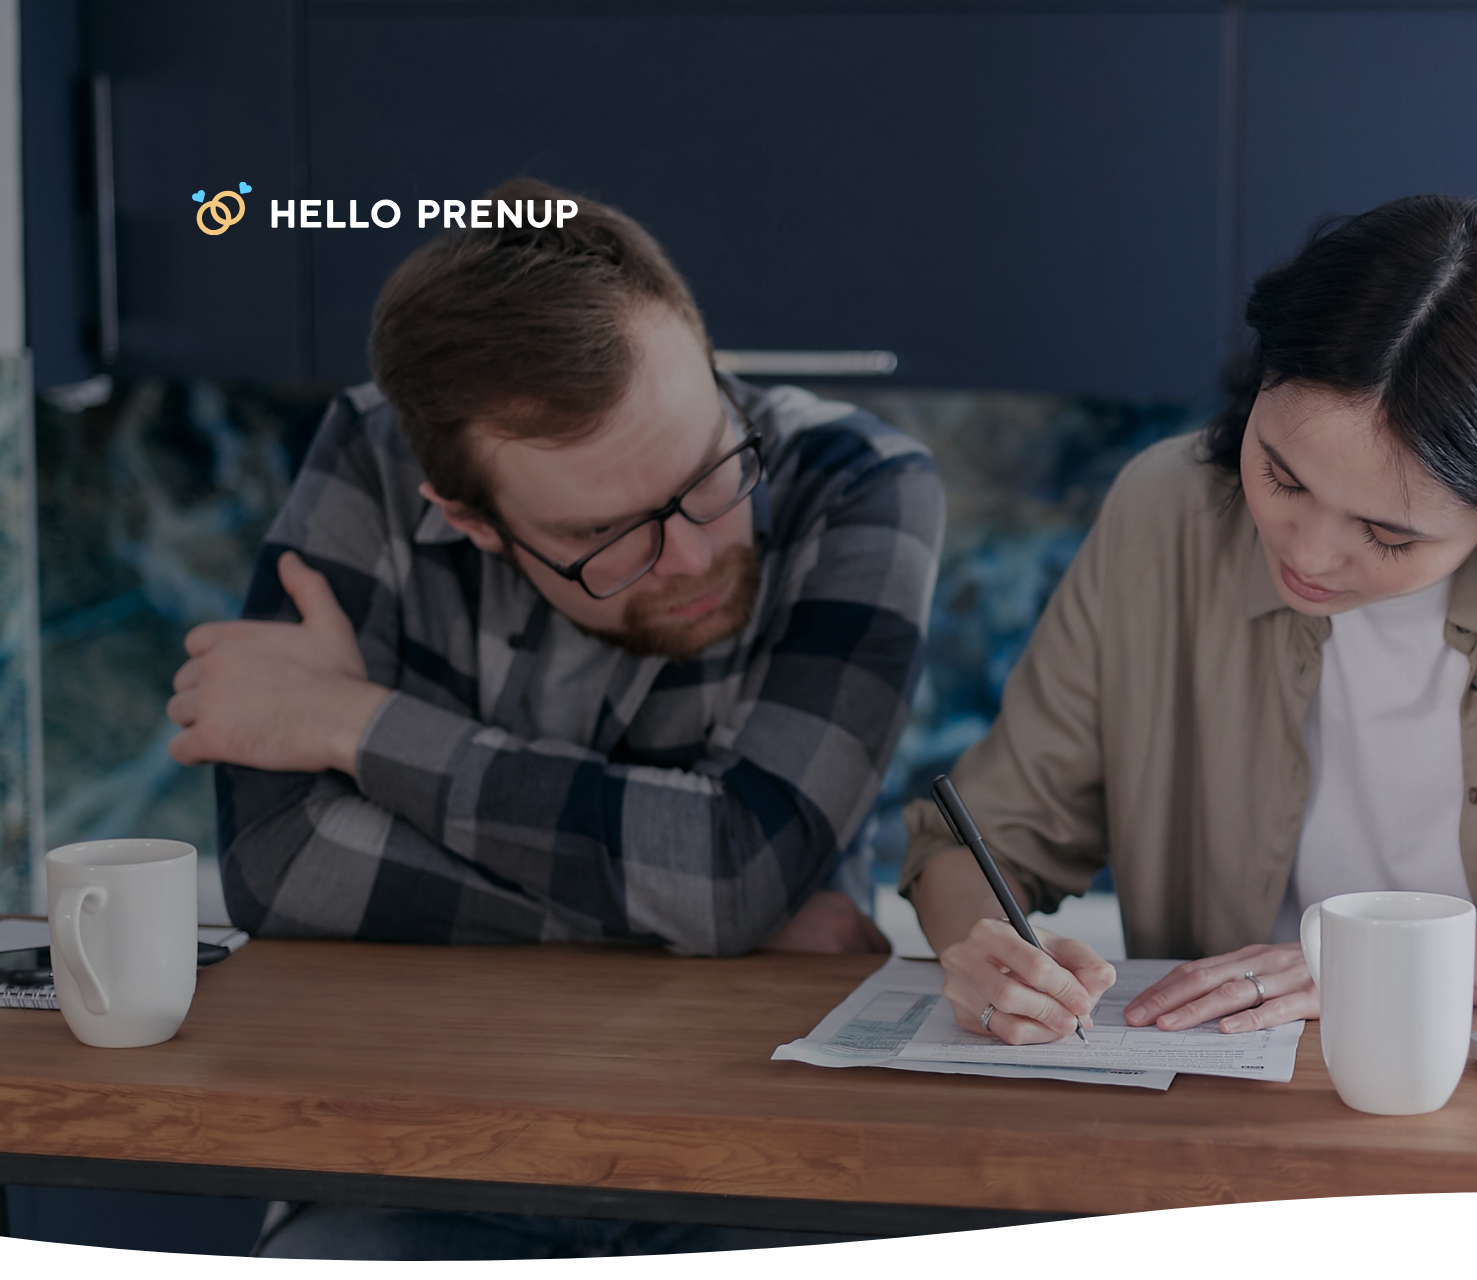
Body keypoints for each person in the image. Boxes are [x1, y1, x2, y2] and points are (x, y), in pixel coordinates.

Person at [162, 178, 942, 1256]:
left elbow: (732, 864)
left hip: (757, 1162)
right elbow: (286, 866)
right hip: (404, 1153)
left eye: (708, 471)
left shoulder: (861, 482)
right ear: (469, 518)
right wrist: (714, 923)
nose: (697, 554)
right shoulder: (372, 457)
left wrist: (357, 723)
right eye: (607, 534)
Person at [901, 194, 1477, 1047]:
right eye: (1282, 477)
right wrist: (986, 948)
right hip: (1221, 1093)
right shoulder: (1165, 513)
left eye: (1386, 534)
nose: (1309, 553)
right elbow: (979, 839)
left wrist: (1404, 968)